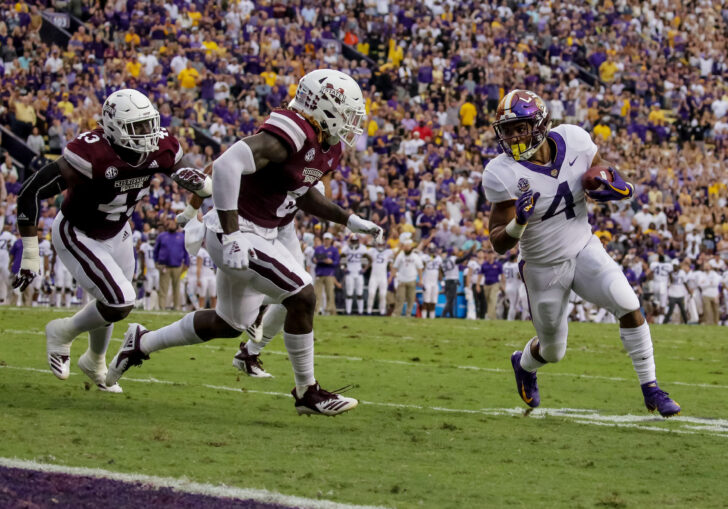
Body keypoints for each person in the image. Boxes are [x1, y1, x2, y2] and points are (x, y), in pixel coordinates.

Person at [106, 69, 382, 416]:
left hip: (260, 232)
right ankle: (307, 392)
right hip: (237, 231)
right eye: (346, 112)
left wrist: (348, 220)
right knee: (302, 294)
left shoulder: (326, 145)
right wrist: (231, 231)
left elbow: (300, 191)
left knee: (227, 323)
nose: (350, 122)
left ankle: (140, 343)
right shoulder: (291, 132)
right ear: (323, 106)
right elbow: (224, 165)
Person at [484, 89, 680, 417]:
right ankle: (524, 364)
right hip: (543, 266)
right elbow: (497, 241)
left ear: (540, 123)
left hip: (584, 246)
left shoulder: (574, 139)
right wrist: (519, 221)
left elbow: (602, 174)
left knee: (628, 304)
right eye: (507, 130)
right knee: (553, 350)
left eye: (520, 127)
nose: (513, 136)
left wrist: (616, 186)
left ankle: (652, 389)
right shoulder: (501, 172)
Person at [12, 89, 210, 392]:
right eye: (138, 127)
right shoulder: (91, 153)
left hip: (119, 231)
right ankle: (62, 331)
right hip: (78, 233)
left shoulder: (163, 146)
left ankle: (95, 360)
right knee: (120, 300)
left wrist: (198, 184)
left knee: (110, 301)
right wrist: (29, 252)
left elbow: (183, 172)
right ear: (114, 127)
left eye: (149, 124)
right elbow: (30, 191)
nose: (147, 134)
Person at [391, 239, 423, 316]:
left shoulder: (415, 257)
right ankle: (397, 313)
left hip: (412, 279)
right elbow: (395, 267)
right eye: (405, 247)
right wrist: (392, 276)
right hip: (402, 279)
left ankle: (408, 313)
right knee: (400, 298)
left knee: (411, 299)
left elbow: (420, 268)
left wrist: (421, 279)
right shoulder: (400, 256)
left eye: (408, 247)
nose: (406, 248)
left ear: (411, 248)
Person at [341, 233, 369, 314]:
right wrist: (344, 269)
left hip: (359, 272)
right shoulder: (345, 249)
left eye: (355, 241)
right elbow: (342, 261)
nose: (354, 242)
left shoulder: (363, 248)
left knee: (360, 293)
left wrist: (364, 269)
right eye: (353, 241)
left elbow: (365, 260)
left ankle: (360, 312)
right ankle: (348, 311)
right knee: (349, 293)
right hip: (349, 273)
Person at [314, 232, 339, 315]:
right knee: (317, 293)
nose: (327, 241)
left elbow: (337, 262)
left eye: (328, 239)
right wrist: (315, 260)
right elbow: (313, 258)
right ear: (323, 239)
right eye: (325, 239)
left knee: (330, 293)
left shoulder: (334, 250)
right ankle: (317, 310)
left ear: (331, 240)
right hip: (319, 272)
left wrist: (331, 262)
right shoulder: (318, 249)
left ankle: (331, 310)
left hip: (329, 273)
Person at [366, 237, 393, 315]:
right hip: (374, 276)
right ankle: (369, 311)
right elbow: (365, 253)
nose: (380, 246)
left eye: (382, 244)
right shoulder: (372, 251)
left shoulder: (388, 252)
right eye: (379, 244)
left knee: (383, 294)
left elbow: (391, 263)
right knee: (371, 293)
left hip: (383, 276)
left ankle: (382, 311)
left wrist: (391, 275)